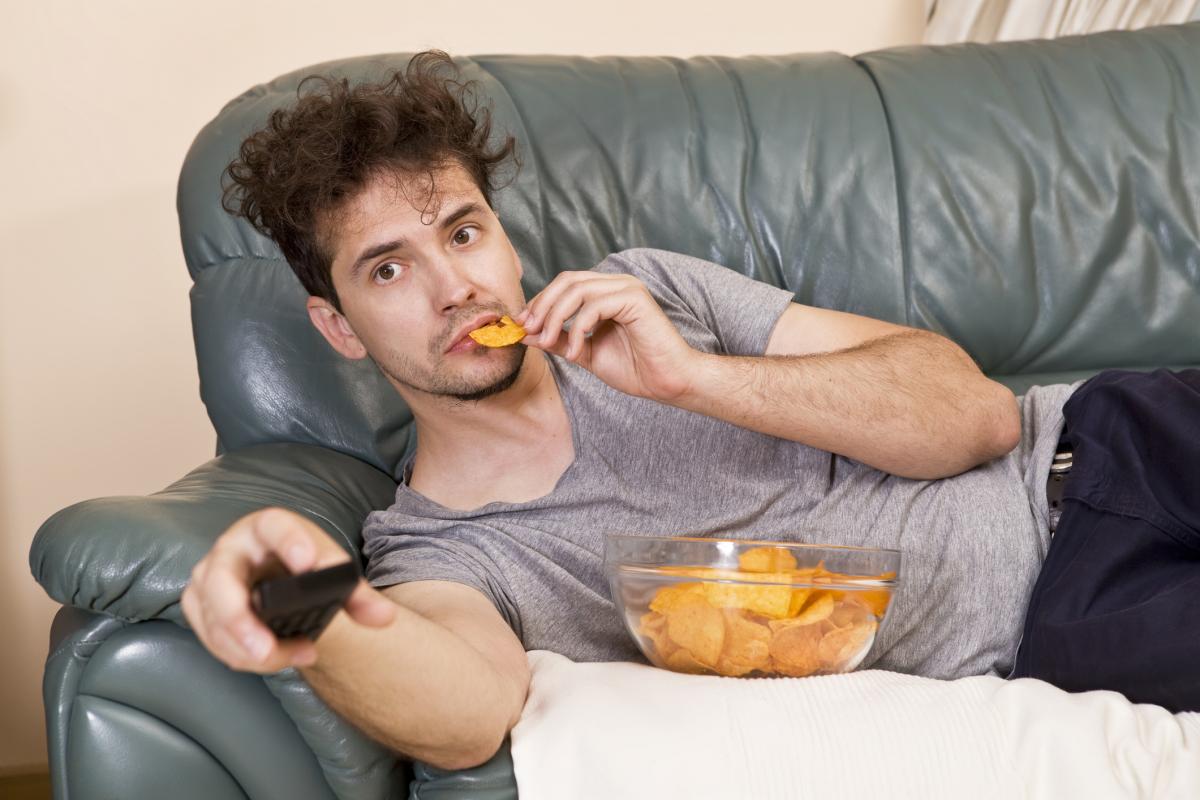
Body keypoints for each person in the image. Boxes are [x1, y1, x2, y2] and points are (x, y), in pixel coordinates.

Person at [180, 50, 1199, 772]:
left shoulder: (646, 291)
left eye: (463, 230)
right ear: (340, 325)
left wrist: (694, 378)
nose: (456, 287)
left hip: (1114, 433)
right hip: (1077, 607)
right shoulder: (441, 550)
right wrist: (307, 614)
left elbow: (974, 415)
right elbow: (464, 711)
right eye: (389, 265)